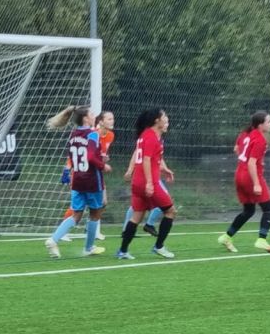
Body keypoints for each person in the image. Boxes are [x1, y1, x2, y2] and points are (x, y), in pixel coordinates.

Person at [44, 106, 112, 258]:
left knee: (76, 215)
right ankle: (88, 248)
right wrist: (103, 165)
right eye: (91, 114)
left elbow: (78, 156)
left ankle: (53, 239)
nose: (94, 116)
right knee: (95, 213)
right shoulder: (92, 134)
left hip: (77, 179)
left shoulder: (73, 134)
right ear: (86, 118)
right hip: (92, 179)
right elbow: (90, 157)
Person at [116, 109, 176, 259]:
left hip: (138, 182)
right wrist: (149, 182)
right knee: (170, 211)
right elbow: (146, 160)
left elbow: (154, 159)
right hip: (148, 182)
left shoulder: (147, 135)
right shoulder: (151, 137)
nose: (167, 120)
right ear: (157, 121)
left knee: (137, 216)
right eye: (165, 117)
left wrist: (165, 169)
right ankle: (159, 246)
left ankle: (123, 251)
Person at [218, 111, 270, 253]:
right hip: (251, 177)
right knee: (268, 209)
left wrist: (244, 161)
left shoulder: (245, 134)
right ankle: (262, 240)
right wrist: (256, 183)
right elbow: (252, 163)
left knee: (249, 210)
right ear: (260, 124)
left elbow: (236, 149)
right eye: (269, 121)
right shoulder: (260, 139)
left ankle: (227, 237)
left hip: (239, 174)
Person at [59, 110, 115, 242]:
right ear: (100, 122)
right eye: (109, 119)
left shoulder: (110, 135)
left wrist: (103, 159)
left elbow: (98, 154)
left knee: (102, 203)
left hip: (95, 173)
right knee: (77, 206)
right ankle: (63, 231)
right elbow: (79, 153)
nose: (112, 121)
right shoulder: (91, 134)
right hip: (83, 172)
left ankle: (91, 229)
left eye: (112, 119)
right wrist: (67, 169)